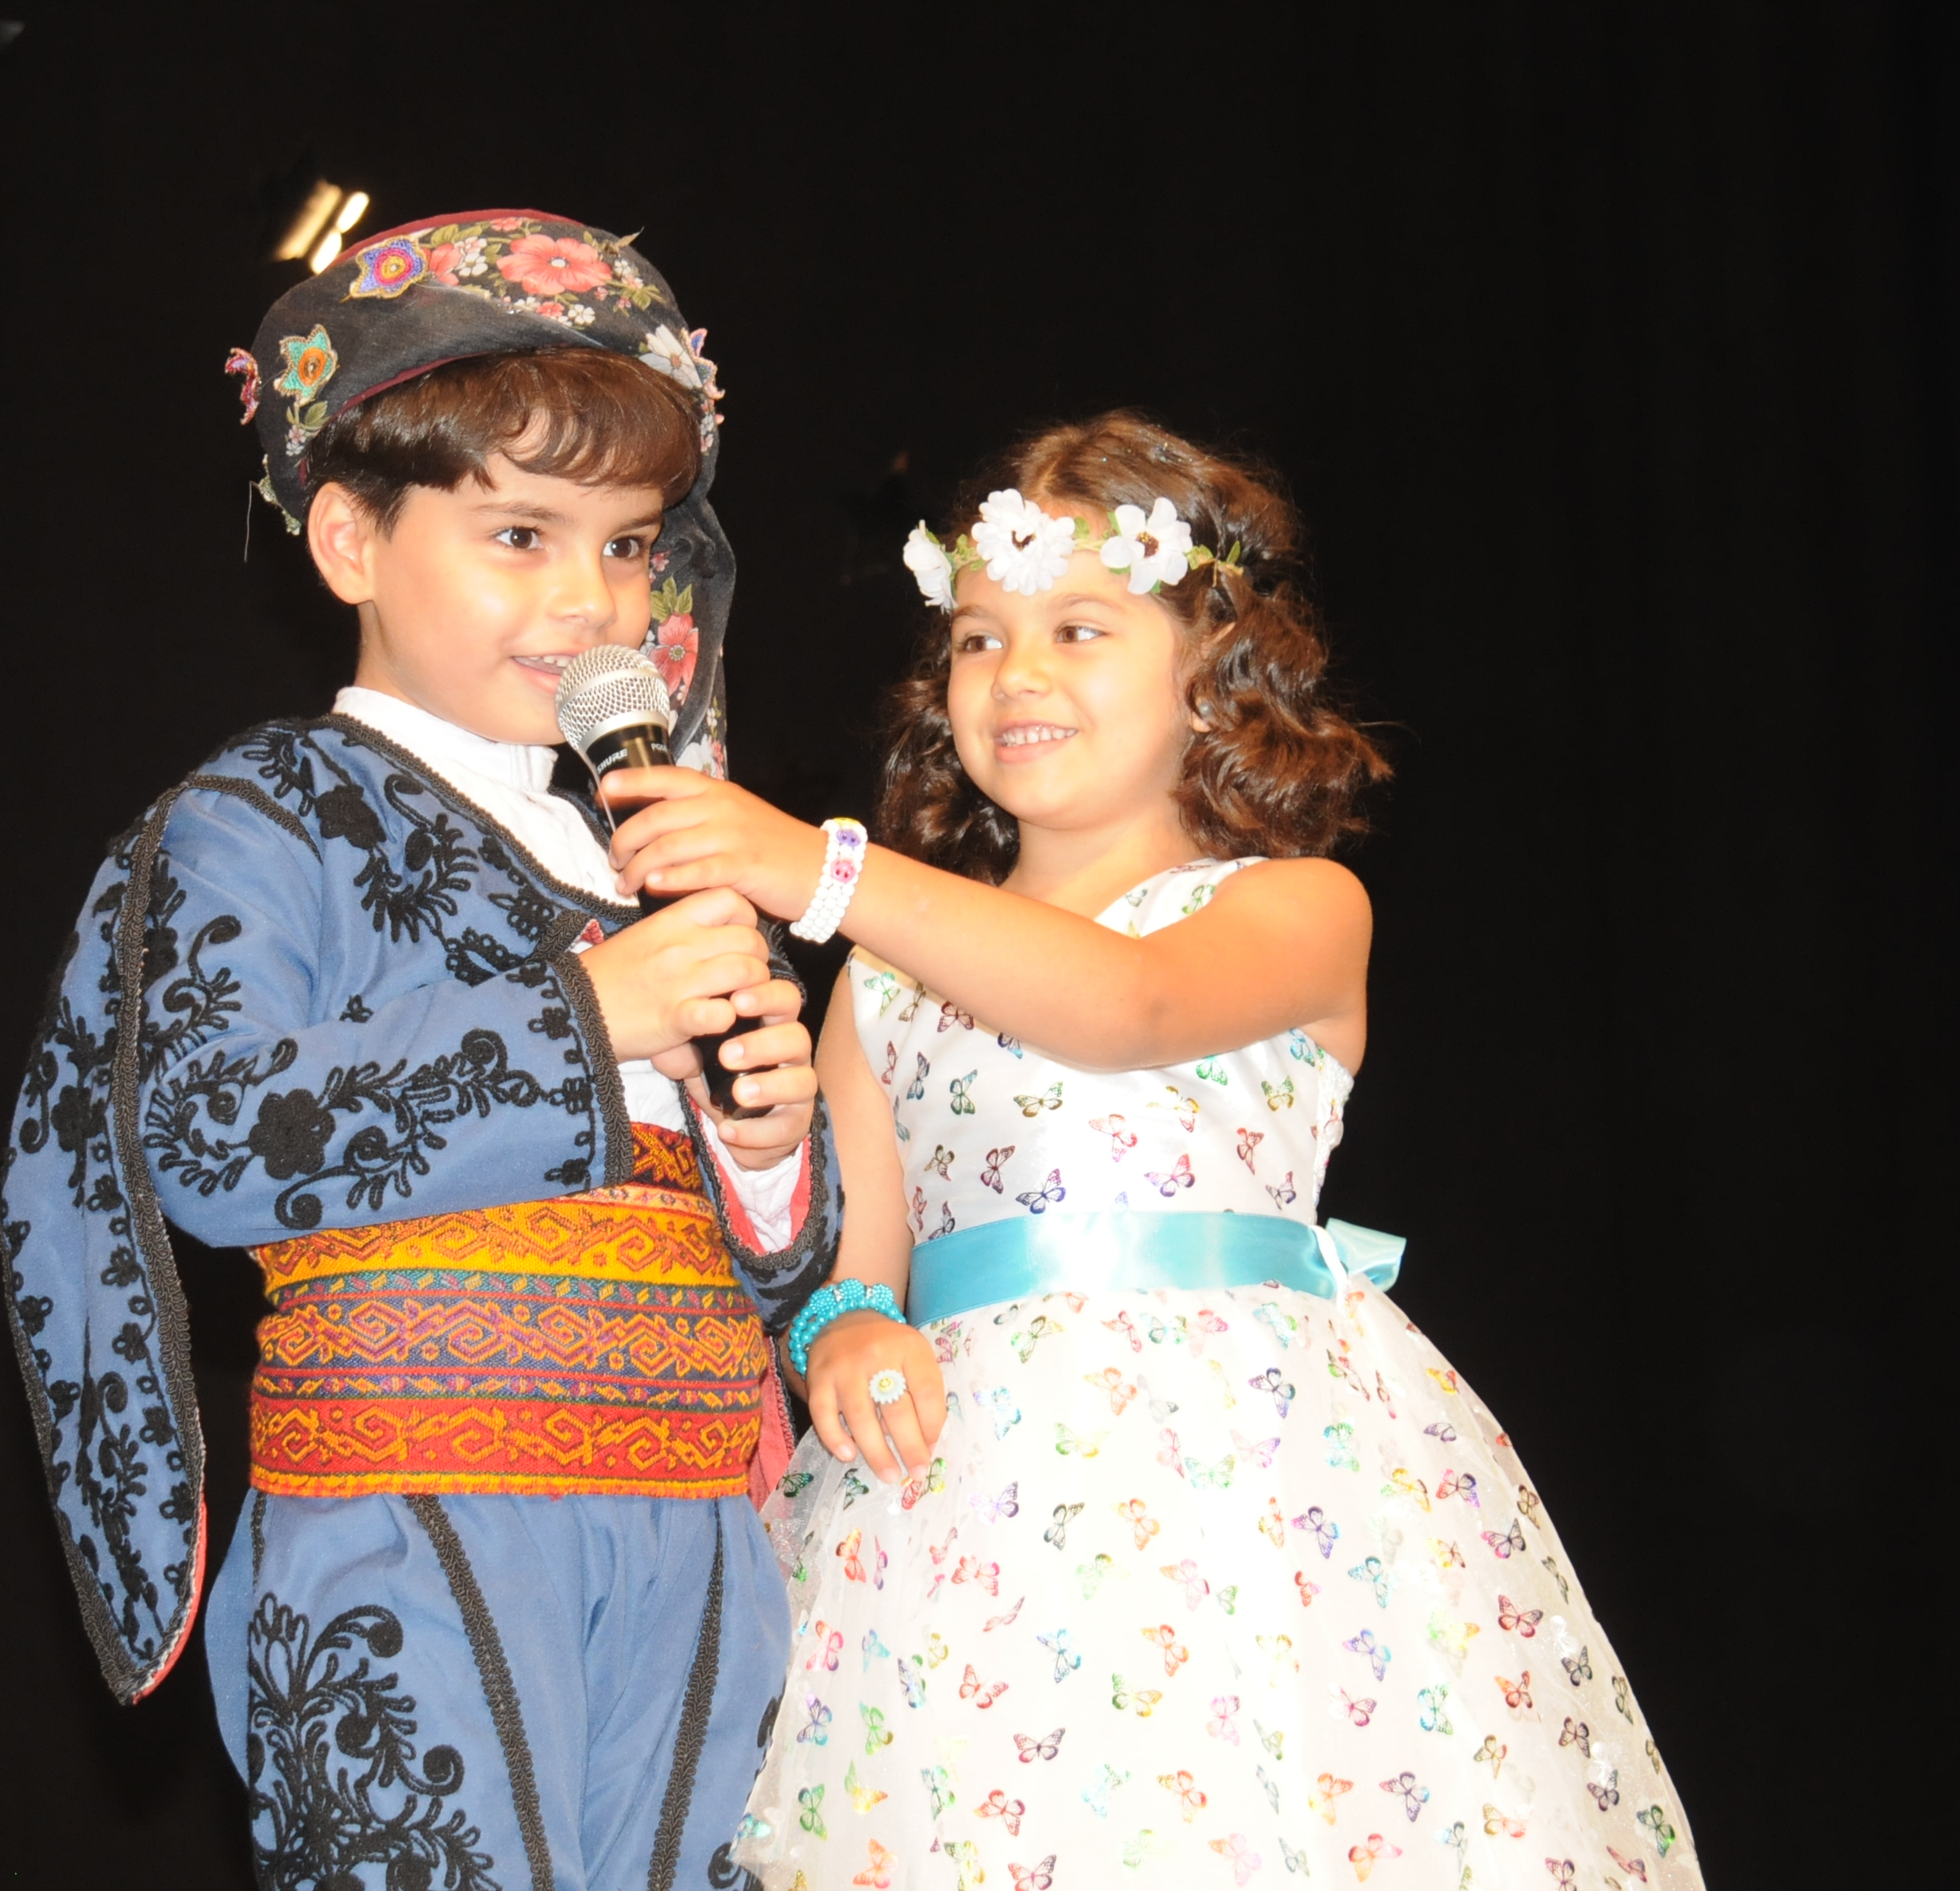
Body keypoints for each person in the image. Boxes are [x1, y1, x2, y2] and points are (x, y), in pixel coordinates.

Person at [598, 414, 1704, 1887]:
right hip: (966, 1511)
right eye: (978, 639)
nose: (1017, 673)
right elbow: (859, 1264)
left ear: (1211, 670)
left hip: (1253, 1482)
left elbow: (1127, 1007)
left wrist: (820, 866)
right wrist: (849, 1334)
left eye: (1077, 628)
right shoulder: (885, 979)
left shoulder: (1294, 907)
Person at [0, 212, 848, 1890]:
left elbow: (779, 1269)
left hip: (695, 1530)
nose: (590, 601)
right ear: (348, 539)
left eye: (627, 547)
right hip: (419, 1509)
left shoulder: (657, 851)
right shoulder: (262, 816)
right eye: (521, 535)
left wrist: (763, 1152)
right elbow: (211, 1136)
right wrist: (598, 1017)